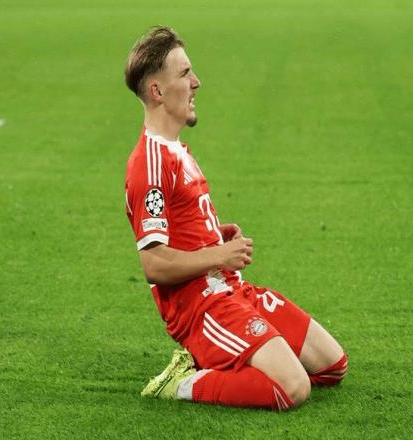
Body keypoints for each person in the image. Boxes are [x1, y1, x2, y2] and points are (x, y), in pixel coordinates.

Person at [123, 26, 348, 410]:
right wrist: (219, 255)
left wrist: (214, 236)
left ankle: (240, 358)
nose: (197, 82)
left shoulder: (176, 150)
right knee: (293, 388)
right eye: (185, 74)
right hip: (202, 309)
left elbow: (181, 227)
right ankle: (182, 382)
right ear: (157, 91)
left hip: (231, 290)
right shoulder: (150, 164)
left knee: (332, 365)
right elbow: (154, 264)